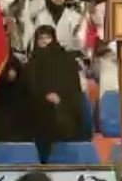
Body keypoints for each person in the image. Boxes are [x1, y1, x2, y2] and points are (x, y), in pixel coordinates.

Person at [23, 26, 89, 162]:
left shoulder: (66, 60)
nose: (44, 42)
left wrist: (60, 100)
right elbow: (29, 89)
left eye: (48, 38)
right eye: (41, 38)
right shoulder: (31, 63)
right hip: (39, 115)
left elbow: (73, 89)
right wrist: (44, 97)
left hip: (65, 113)